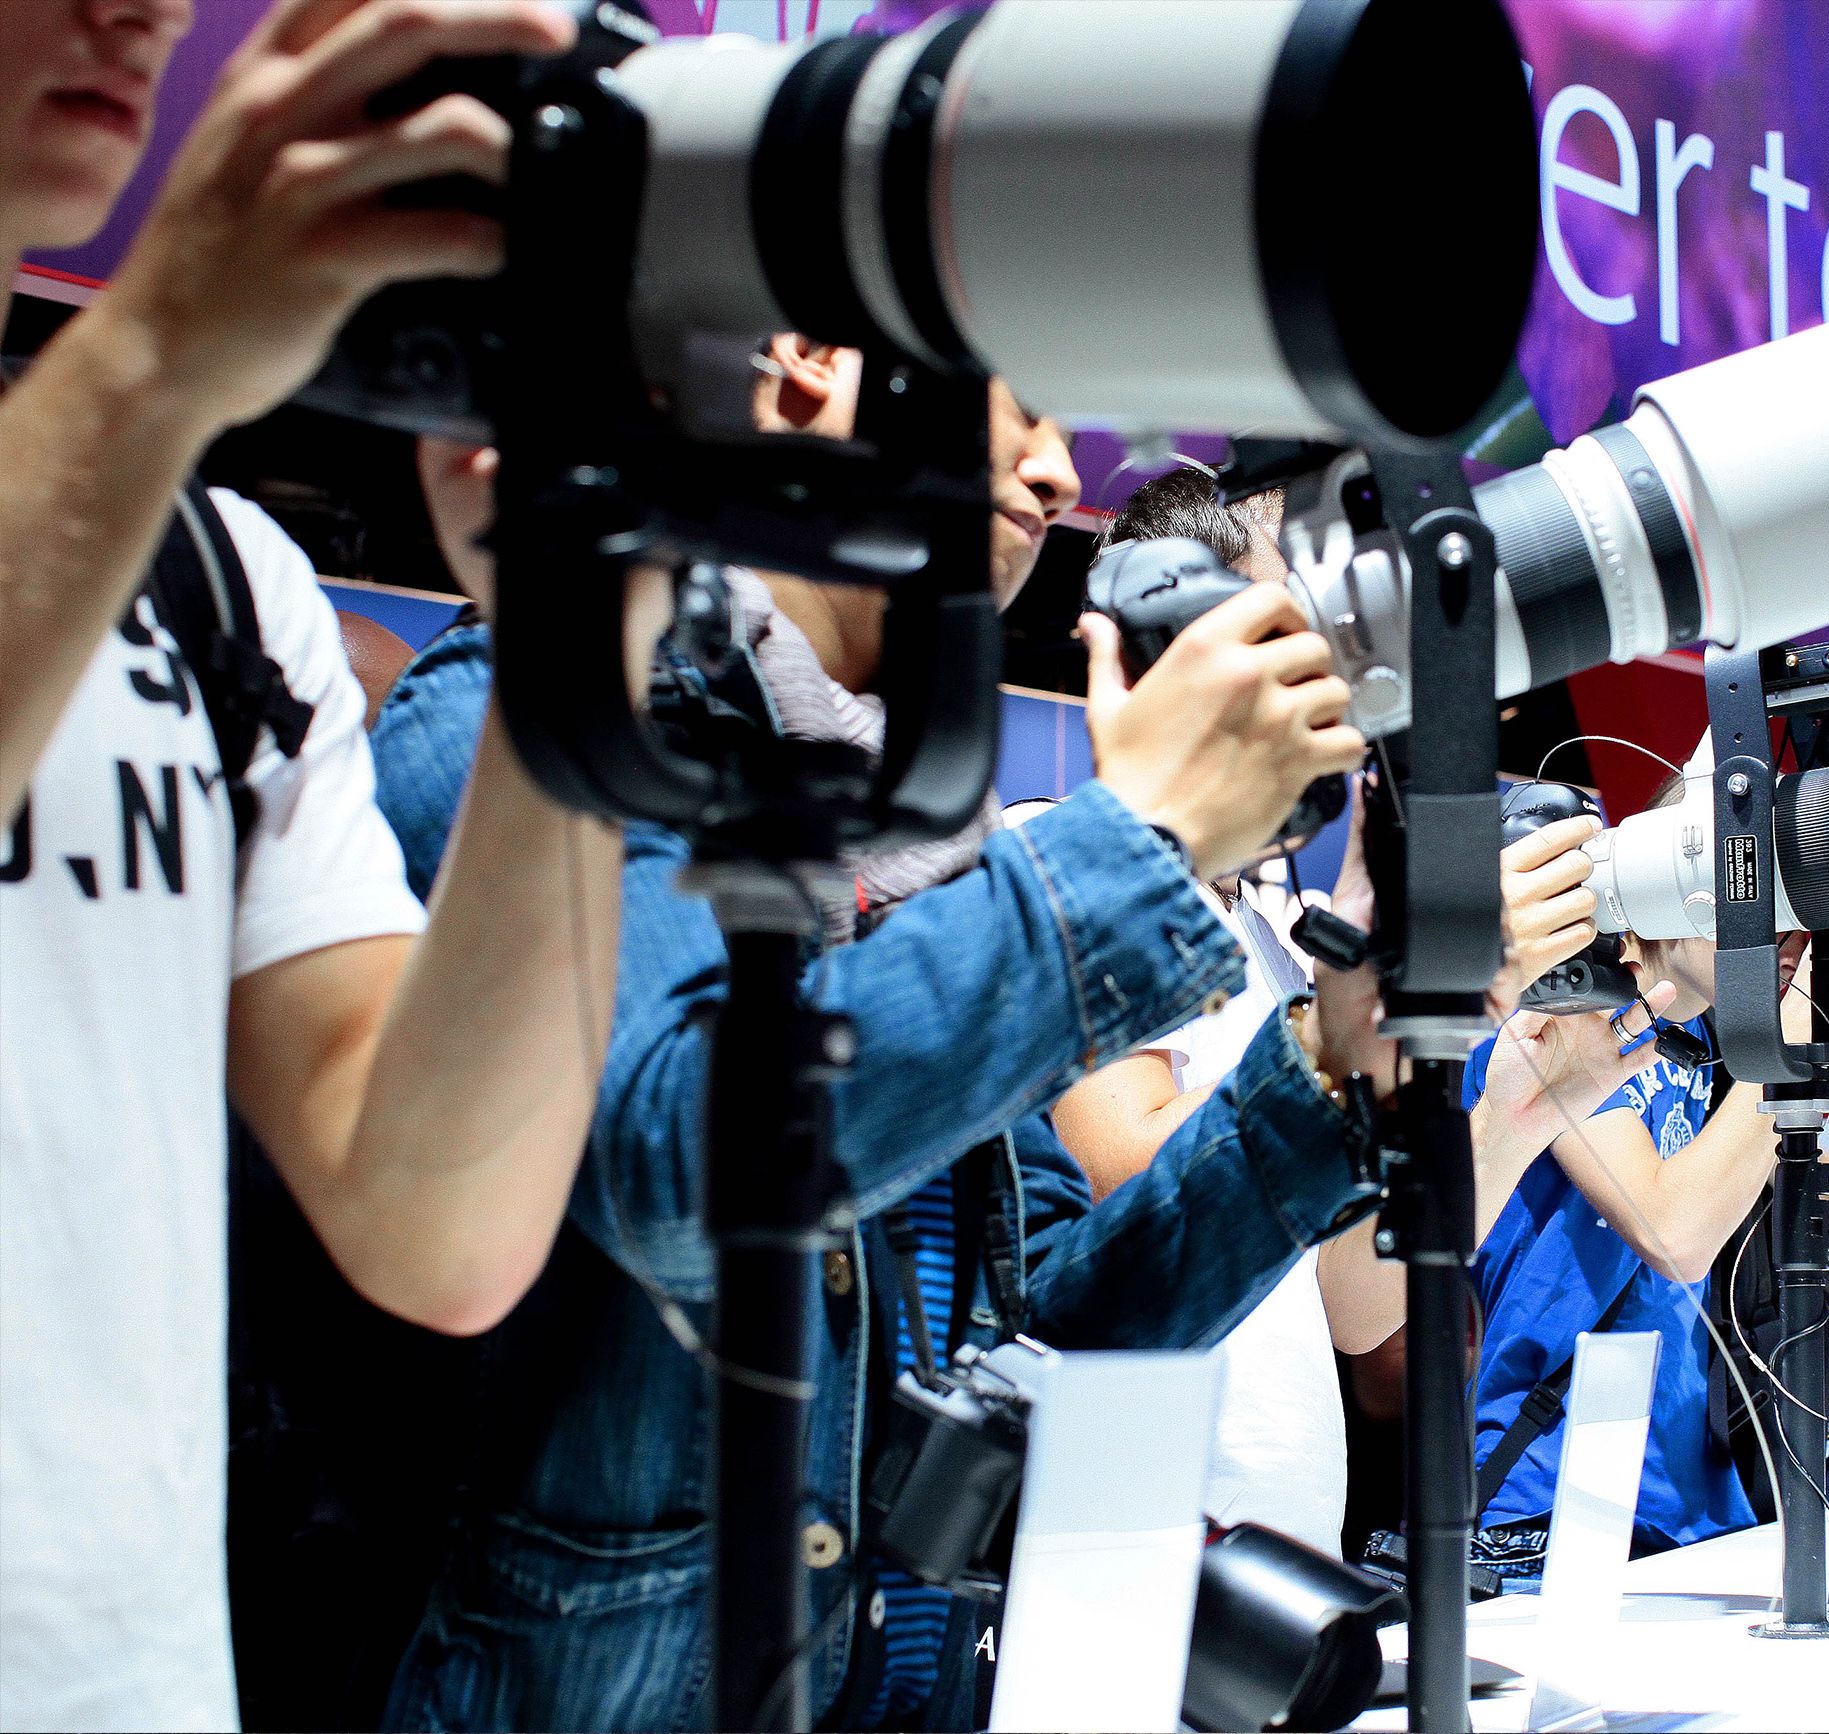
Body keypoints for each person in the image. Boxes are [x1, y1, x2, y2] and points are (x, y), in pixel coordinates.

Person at [365, 319, 1459, 1727]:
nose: (1058, 475)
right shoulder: (520, 719)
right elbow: (681, 1171)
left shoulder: (929, 845)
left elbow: (1052, 1334)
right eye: (1020, 410)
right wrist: (1144, 840)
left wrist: (1327, 1052)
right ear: (810, 362)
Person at [0, 4, 634, 1726]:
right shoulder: (159, 454)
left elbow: (442, 1225)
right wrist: (157, 351)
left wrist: (567, 654)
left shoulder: (218, 578)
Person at [1049, 468, 1624, 1552]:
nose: (1339, 669)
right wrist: (1347, 1026)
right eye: (1299, 622)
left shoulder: (1278, 934)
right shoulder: (1071, 860)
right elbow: (1120, 1168)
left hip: (1277, 1530)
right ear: (1169, 638)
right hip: (1128, 1527)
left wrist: (1521, 1103)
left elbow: (1353, 1305)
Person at [1456, 870, 1829, 1578]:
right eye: (1771, 898)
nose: (1796, 939)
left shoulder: (1724, 1044)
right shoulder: (1559, 1025)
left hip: (1700, 1495)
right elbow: (1674, 1236)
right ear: (1680, 885)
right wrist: (1795, 1027)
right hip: (1553, 1487)